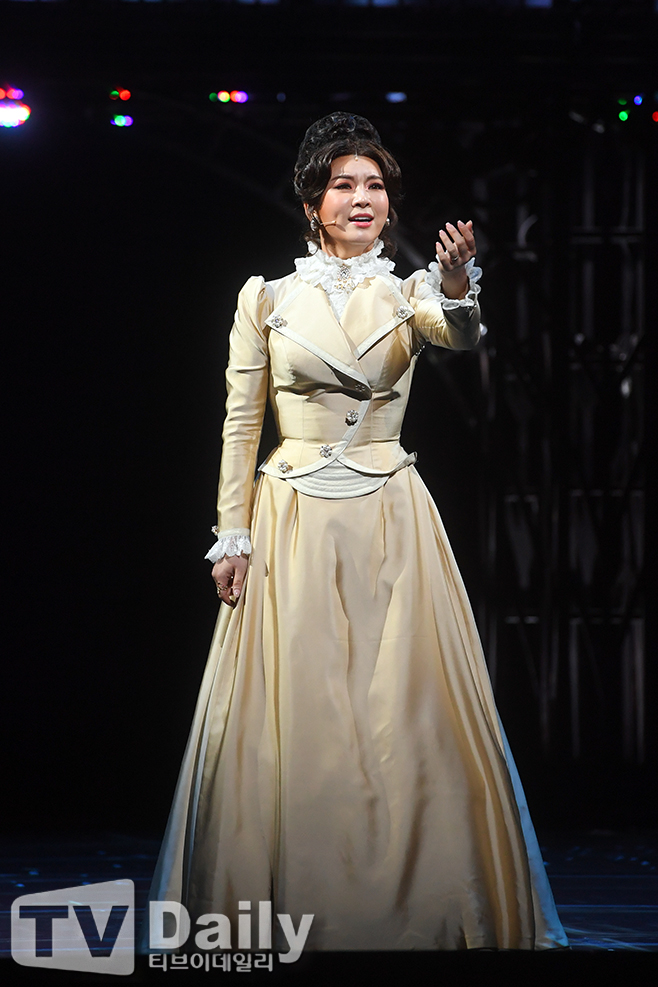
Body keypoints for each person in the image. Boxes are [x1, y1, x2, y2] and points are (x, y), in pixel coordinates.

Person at [142, 113, 569, 952]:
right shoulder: (267, 298)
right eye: (344, 184)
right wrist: (232, 534)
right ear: (313, 202)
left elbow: (460, 335)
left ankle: (421, 902)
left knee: (403, 712)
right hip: (293, 517)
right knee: (299, 717)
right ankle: (292, 900)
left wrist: (456, 281)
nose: (362, 198)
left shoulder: (410, 294)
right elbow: (241, 423)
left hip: (388, 517)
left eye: (375, 185)